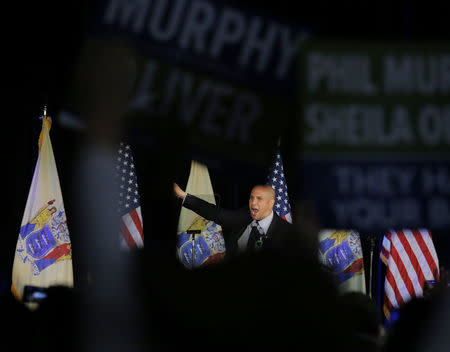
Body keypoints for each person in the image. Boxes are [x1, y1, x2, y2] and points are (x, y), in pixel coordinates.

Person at [173, 182, 297, 259]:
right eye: (251, 198)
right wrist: (183, 196)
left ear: (271, 203)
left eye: (259, 199)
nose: (253, 203)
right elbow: (217, 214)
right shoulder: (245, 215)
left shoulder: (286, 232)